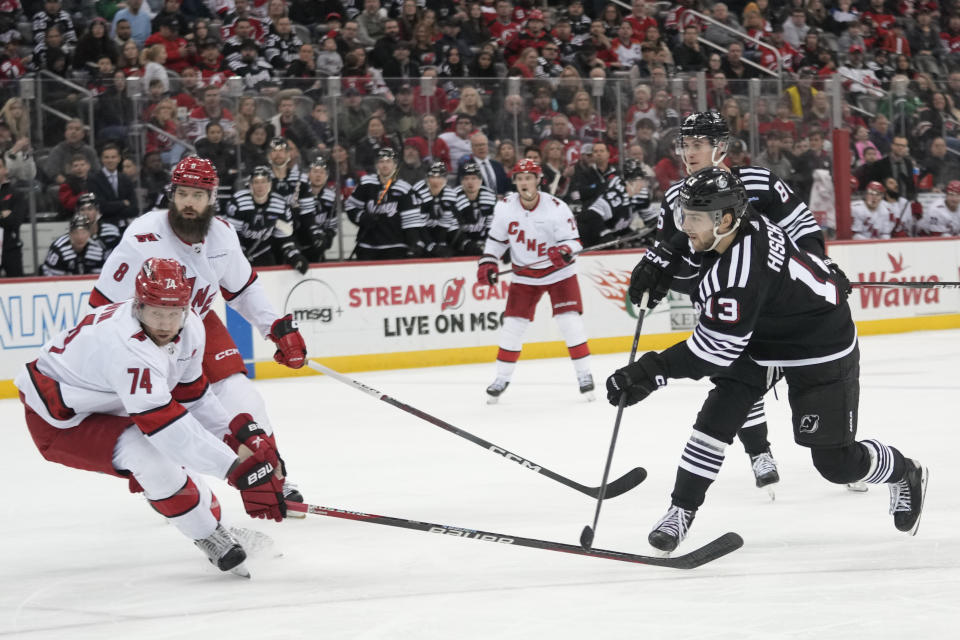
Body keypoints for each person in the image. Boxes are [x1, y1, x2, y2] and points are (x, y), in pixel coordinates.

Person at [606, 168, 928, 553]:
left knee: (836, 465)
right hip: (762, 333)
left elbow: (710, 351)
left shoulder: (738, 275)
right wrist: (664, 259)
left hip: (818, 341)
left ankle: (902, 470)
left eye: (693, 218)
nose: (684, 225)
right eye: (683, 214)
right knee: (719, 415)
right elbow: (699, 236)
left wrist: (649, 371)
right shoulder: (738, 218)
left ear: (724, 221)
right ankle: (681, 510)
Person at [16, 257, 287, 576]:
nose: (164, 323)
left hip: (110, 398)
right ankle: (210, 535)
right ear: (138, 305)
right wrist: (236, 470)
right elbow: (166, 428)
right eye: (155, 312)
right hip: (61, 418)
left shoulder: (192, 329)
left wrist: (235, 441)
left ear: (186, 309)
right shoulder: (126, 347)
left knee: (172, 456)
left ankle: (206, 520)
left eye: (173, 313)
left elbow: (194, 397)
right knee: (151, 457)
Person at [626, 111, 836, 495]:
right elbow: (668, 250)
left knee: (821, 387)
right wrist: (654, 270)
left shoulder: (757, 181)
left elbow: (802, 227)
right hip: (721, 295)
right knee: (731, 375)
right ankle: (759, 452)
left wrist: (823, 265)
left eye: (697, 145)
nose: (689, 153)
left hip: (777, 304)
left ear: (720, 147)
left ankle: (845, 458)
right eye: (684, 145)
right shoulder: (675, 196)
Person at [89, 157, 308, 504]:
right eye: (183, 194)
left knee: (244, 400)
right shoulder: (142, 237)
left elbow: (243, 289)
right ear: (172, 195)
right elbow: (101, 307)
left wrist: (277, 329)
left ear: (212, 198)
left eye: (198, 195)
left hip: (200, 326)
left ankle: (273, 479)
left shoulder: (222, 234)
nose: (189, 202)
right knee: (173, 420)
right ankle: (185, 491)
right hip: (148, 336)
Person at [477, 159, 594, 402]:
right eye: (519, 178)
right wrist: (489, 261)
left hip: (559, 274)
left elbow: (575, 242)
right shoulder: (505, 207)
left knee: (568, 322)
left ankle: (584, 375)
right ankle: (501, 378)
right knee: (512, 326)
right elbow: (497, 240)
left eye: (528, 178)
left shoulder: (556, 207)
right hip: (524, 275)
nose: (524, 183)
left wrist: (563, 251)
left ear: (538, 180)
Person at [344, 148, 425, 260]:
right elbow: (351, 206)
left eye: (388, 161)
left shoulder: (404, 189)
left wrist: (414, 242)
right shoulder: (366, 183)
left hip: (395, 246)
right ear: (377, 165)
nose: (384, 165)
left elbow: (410, 221)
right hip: (367, 246)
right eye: (381, 161)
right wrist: (362, 217)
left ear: (395, 165)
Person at [225, 165, 309, 273]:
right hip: (238, 255)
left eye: (264, 182)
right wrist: (240, 254)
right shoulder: (239, 202)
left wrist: (294, 255)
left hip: (263, 253)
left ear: (270, 184)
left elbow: (284, 238)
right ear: (250, 185)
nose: (260, 186)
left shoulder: (280, 206)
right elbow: (231, 235)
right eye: (256, 182)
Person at [579, 159, 653, 248]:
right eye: (643, 180)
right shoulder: (617, 193)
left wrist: (635, 237)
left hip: (599, 239)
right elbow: (591, 215)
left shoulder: (638, 196)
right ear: (632, 180)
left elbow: (651, 220)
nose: (645, 184)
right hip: (586, 241)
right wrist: (606, 236)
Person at [411, 161, 458, 258]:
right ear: (427, 178)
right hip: (418, 233)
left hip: (435, 229)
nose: (436, 181)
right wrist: (431, 246)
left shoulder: (450, 194)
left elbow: (445, 224)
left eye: (440, 177)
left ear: (445, 179)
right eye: (432, 177)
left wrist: (441, 244)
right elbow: (418, 225)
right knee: (418, 249)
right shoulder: (418, 192)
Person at [40, 212, 106, 276]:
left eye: (83, 232)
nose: (80, 237)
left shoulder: (98, 249)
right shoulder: (58, 249)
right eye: (75, 232)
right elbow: (53, 280)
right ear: (70, 234)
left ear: (89, 234)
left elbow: (97, 278)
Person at [452, 162, 497, 256]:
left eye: (474, 178)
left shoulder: (490, 196)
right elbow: (452, 228)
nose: (470, 182)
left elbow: (493, 225)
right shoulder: (453, 197)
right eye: (466, 178)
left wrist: (491, 244)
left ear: (480, 180)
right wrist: (466, 244)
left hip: (484, 245)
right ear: (461, 181)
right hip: (459, 247)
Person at [304, 156, 337, 261]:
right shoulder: (301, 194)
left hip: (319, 247)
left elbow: (332, 225)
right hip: (301, 246)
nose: (318, 175)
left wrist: (328, 236)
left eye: (322, 172)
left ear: (326, 176)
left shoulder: (331, 197)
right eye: (315, 171)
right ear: (309, 174)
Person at [0, 154, 25, 276]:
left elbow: (15, 221)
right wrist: (3, 214)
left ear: (5, 170)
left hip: (11, 248)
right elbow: (7, 219)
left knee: (17, 285)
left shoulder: (15, 193)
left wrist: (8, 218)